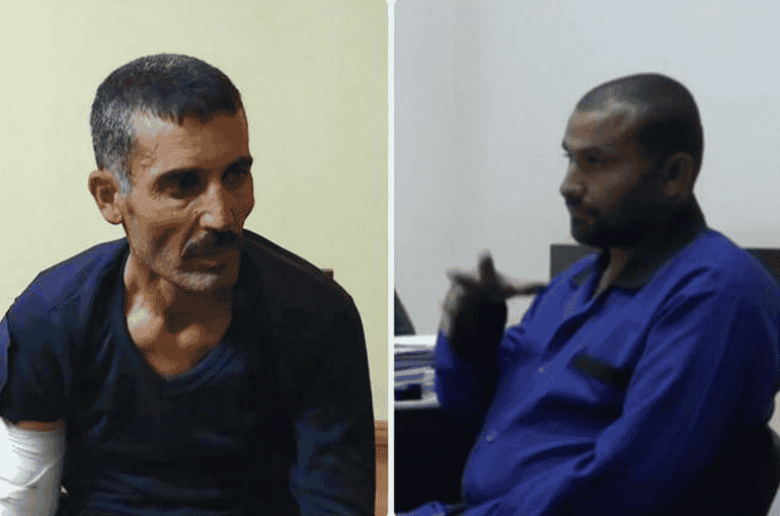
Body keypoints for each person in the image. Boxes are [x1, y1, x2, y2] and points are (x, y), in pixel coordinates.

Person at [0, 53, 375, 516]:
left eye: (236, 175)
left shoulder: (316, 316)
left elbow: (334, 504)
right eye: (182, 184)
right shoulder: (50, 317)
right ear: (109, 197)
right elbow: (22, 500)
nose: (222, 215)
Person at [403, 73, 780, 516]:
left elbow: (623, 485)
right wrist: (471, 343)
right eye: (570, 159)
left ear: (674, 175)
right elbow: (480, 421)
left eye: (595, 162)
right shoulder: (575, 282)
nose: (568, 185)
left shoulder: (716, 295)